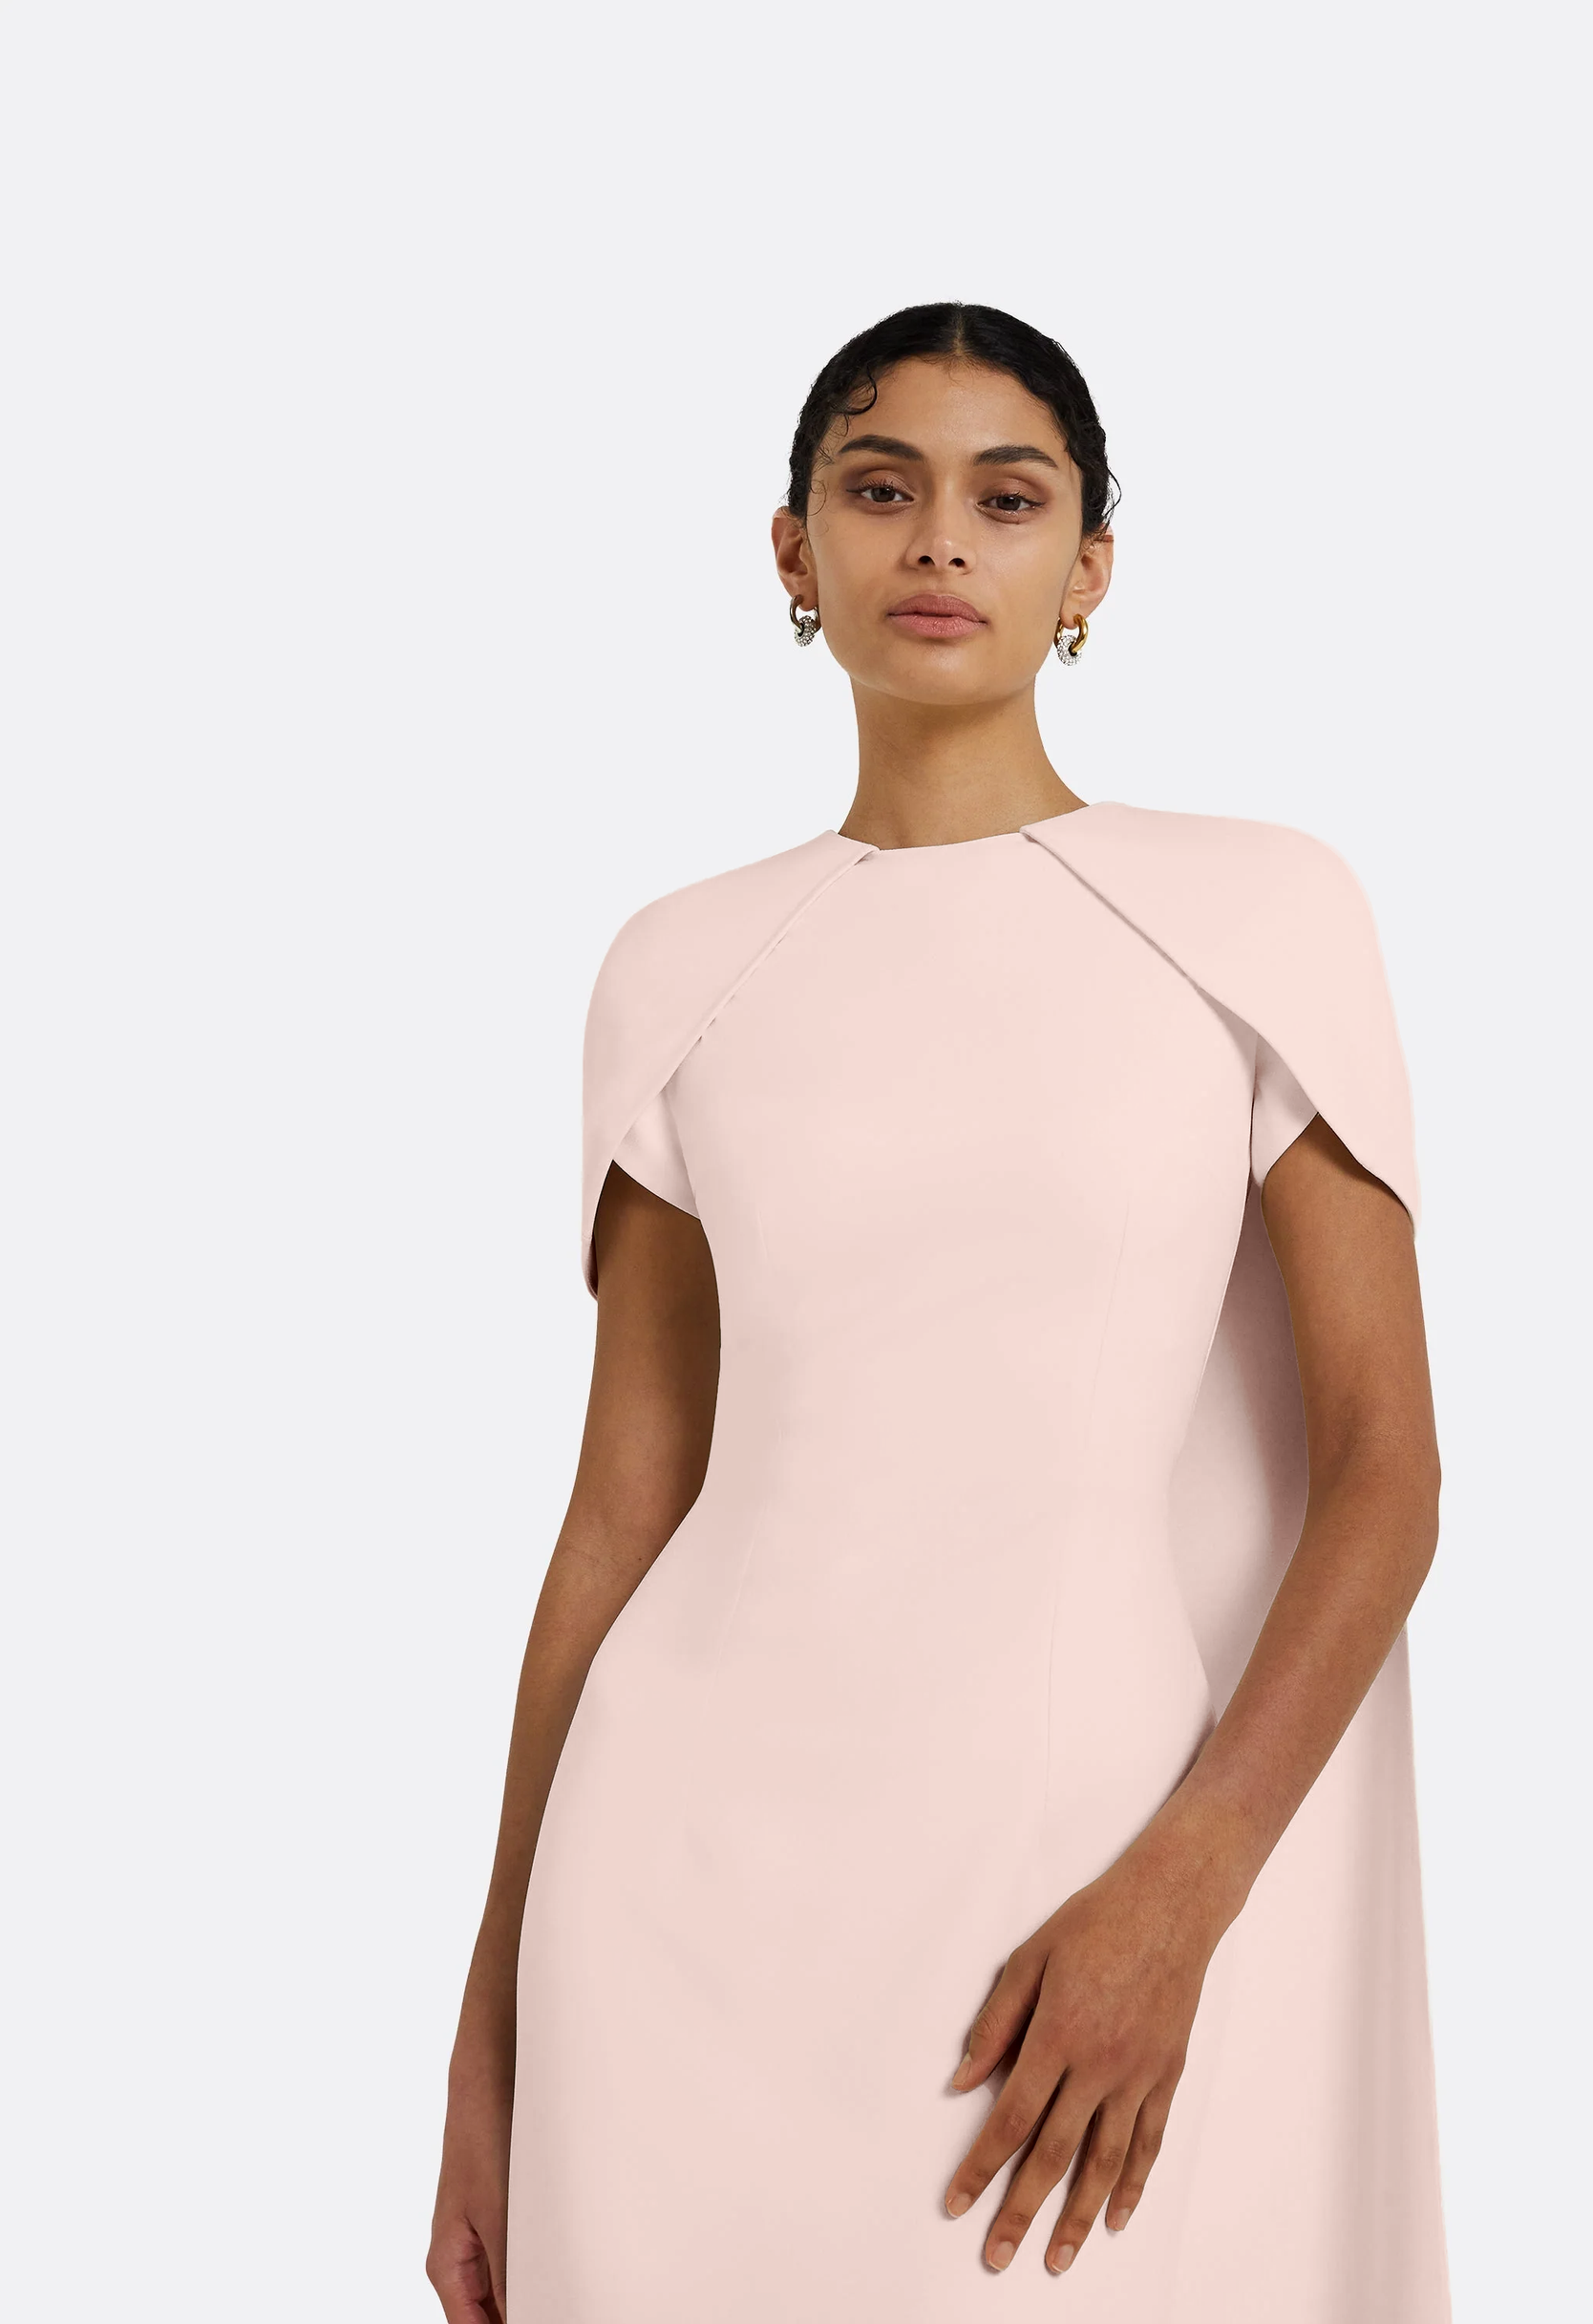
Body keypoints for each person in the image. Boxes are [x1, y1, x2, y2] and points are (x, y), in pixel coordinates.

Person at [427, 301, 1452, 2323]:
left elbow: (1384, 1474)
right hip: (672, 1907)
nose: (938, 542)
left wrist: (1184, 1891)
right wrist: (491, 2024)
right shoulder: (679, 965)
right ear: (792, 550)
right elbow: (621, 1515)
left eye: (1008, 497)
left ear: (1088, 569)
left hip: (1075, 1872)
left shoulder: (1258, 912)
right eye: (879, 488)